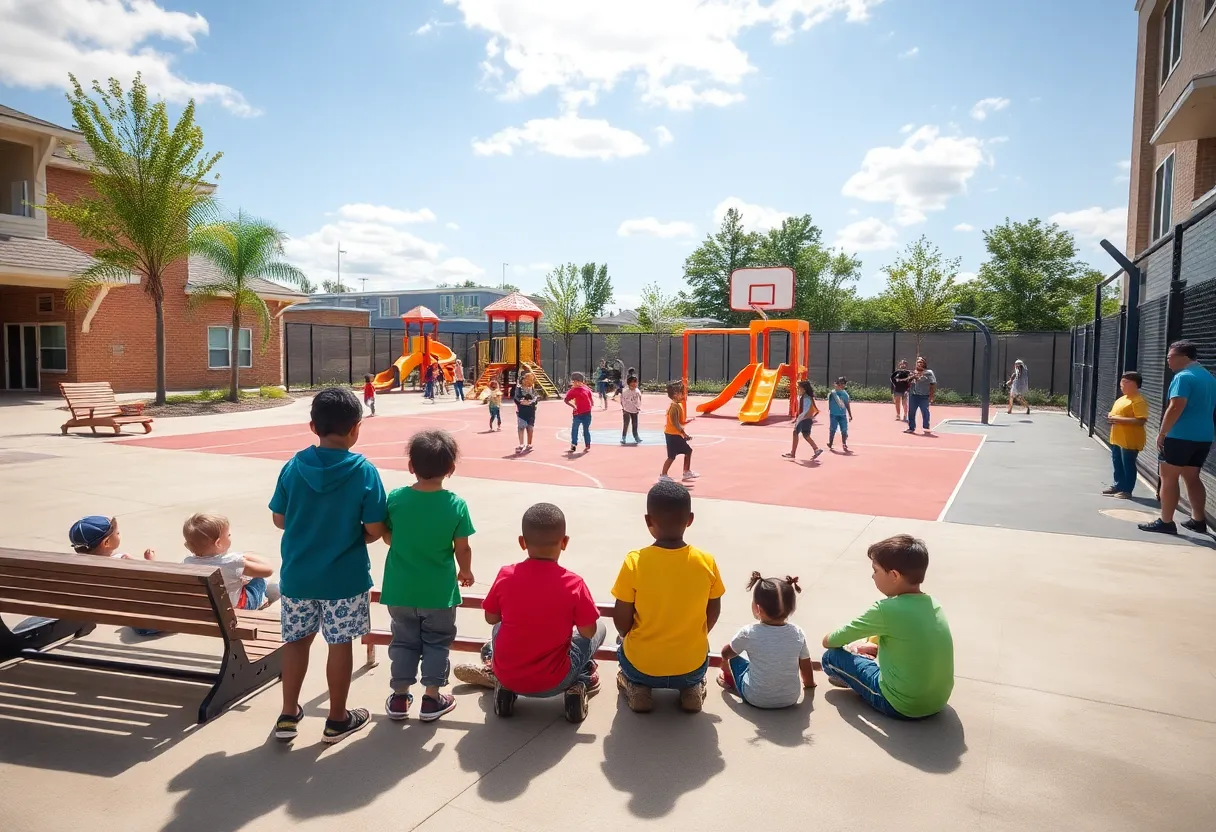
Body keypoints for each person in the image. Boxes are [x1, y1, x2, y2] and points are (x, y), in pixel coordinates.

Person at [268, 387, 387, 744]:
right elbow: (375, 529)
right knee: (340, 644)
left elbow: (279, 518)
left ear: (312, 426)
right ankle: (337, 718)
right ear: (356, 428)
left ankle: (288, 714)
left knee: (296, 642)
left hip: (299, 575)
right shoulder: (364, 471)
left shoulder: (294, 466)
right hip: (344, 578)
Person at [453, 503, 605, 723]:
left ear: (522, 542)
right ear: (564, 543)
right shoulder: (574, 583)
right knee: (599, 628)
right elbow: (588, 631)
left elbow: (491, 618)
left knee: (499, 627)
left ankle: (499, 677)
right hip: (555, 681)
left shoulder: (506, 575)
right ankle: (580, 680)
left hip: (510, 675)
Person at [380, 429, 474, 722]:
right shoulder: (456, 505)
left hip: (400, 589)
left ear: (411, 466)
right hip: (439, 592)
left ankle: (399, 697)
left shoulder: (396, 498)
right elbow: (463, 547)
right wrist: (466, 570)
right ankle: (432, 699)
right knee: (437, 642)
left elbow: (387, 536)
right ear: (451, 469)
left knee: (404, 642)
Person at [612, 480, 725, 713]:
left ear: (647, 521)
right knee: (695, 660)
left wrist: (627, 637)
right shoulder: (706, 561)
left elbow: (621, 620)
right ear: (690, 519)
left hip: (642, 665)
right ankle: (691, 689)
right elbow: (713, 611)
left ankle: (638, 687)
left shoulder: (635, 561)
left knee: (622, 646)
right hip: (690, 664)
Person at [820, 534, 954, 720]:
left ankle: (852, 679)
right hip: (938, 701)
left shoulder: (885, 610)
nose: (872, 575)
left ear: (894, 575)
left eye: (875, 570)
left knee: (831, 657)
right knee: (882, 640)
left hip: (901, 705)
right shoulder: (933, 603)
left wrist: (835, 642)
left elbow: (830, 641)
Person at [1140, 340, 1216, 535]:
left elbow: (1176, 406)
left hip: (1179, 436)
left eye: (1169, 357)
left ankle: (1166, 521)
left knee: (1168, 478)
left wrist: (1163, 432)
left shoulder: (1183, 377)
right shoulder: (1208, 377)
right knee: (1192, 477)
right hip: (1204, 436)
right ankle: (1198, 520)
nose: (1168, 362)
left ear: (1183, 357)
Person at [718, 573, 815, 709]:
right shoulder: (797, 633)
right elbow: (805, 663)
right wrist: (809, 684)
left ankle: (729, 680)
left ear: (758, 609)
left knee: (734, 658)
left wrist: (724, 659)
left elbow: (726, 653)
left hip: (755, 698)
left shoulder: (748, 632)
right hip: (791, 698)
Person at [182, 512, 279, 610]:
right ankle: (261, 601)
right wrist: (245, 556)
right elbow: (268, 570)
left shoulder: (187, 563)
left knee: (239, 579)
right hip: (237, 608)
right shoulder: (232, 562)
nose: (230, 537)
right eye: (228, 535)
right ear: (218, 543)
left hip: (208, 607)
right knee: (267, 583)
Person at [1104, 371, 1149, 499]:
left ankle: (1127, 490)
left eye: (1126, 382)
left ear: (1135, 384)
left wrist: (1118, 419)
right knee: (1117, 462)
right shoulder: (1121, 399)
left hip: (1130, 439)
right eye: (1121, 382)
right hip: (1117, 438)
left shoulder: (1138, 401)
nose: (1122, 385)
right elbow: (1115, 415)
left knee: (1128, 464)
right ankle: (1118, 485)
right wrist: (1110, 416)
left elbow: (1141, 420)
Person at [69, 515, 154, 560]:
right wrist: (150, 561)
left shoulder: (71, 564)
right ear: (107, 543)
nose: (119, 535)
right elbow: (152, 576)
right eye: (117, 533)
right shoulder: (124, 559)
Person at [660, 380, 698, 482]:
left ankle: (686, 471)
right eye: (681, 393)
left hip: (675, 434)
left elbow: (679, 422)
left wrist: (686, 422)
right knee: (671, 456)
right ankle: (663, 475)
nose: (683, 395)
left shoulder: (677, 405)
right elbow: (675, 423)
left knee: (688, 451)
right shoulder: (674, 407)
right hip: (672, 435)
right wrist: (684, 434)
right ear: (676, 395)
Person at [783, 380, 824, 461]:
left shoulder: (806, 398)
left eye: (799, 388)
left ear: (804, 389)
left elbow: (804, 411)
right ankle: (816, 449)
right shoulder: (807, 397)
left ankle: (793, 453)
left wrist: (797, 420)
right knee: (806, 435)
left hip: (804, 419)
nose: (798, 390)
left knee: (795, 433)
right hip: (807, 419)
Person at [904, 357, 936, 435]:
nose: (920, 363)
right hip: (913, 396)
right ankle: (911, 428)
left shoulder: (929, 372)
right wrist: (912, 377)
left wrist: (931, 395)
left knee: (925, 412)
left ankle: (926, 427)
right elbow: (907, 382)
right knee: (911, 412)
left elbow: (933, 384)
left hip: (924, 396)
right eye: (918, 362)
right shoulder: (912, 373)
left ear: (924, 363)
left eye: (921, 362)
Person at [565, 371, 594, 454]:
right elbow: (566, 400)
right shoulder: (572, 391)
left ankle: (587, 444)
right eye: (574, 381)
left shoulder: (586, 389)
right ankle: (573, 444)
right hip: (577, 414)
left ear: (582, 381)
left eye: (578, 381)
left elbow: (589, 396)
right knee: (575, 429)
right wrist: (573, 406)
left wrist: (591, 403)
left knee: (586, 429)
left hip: (587, 413)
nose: (576, 383)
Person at [513, 371, 539, 453]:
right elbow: (516, 397)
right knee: (521, 427)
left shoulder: (532, 389)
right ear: (524, 379)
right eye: (527, 379)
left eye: (531, 380)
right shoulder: (519, 388)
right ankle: (521, 444)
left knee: (530, 427)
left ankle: (529, 443)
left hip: (531, 411)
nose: (528, 381)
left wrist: (531, 402)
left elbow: (536, 398)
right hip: (521, 410)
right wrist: (521, 401)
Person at [827, 377, 853, 452]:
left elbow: (847, 404)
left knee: (844, 429)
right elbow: (829, 400)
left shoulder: (845, 394)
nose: (841, 385)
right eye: (840, 383)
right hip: (833, 414)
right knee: (832, 429)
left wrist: (850, 415)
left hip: (842, 415)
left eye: (843, 384)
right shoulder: (832, 393)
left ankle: (844, 443)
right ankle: (830, 443)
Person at [620, 375, 643, 445]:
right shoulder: (625, 391)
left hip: (635, 410)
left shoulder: (637, 391)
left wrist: (638, 407)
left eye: (636, 382)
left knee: (635, 424)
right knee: (626, 424)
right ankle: (623, 437)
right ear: (629, 383)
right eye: (633, 382)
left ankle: (636, 437)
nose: (634, 384)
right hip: (626, 410)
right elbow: (622, 400)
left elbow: (639, 400)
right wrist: (624, 408)